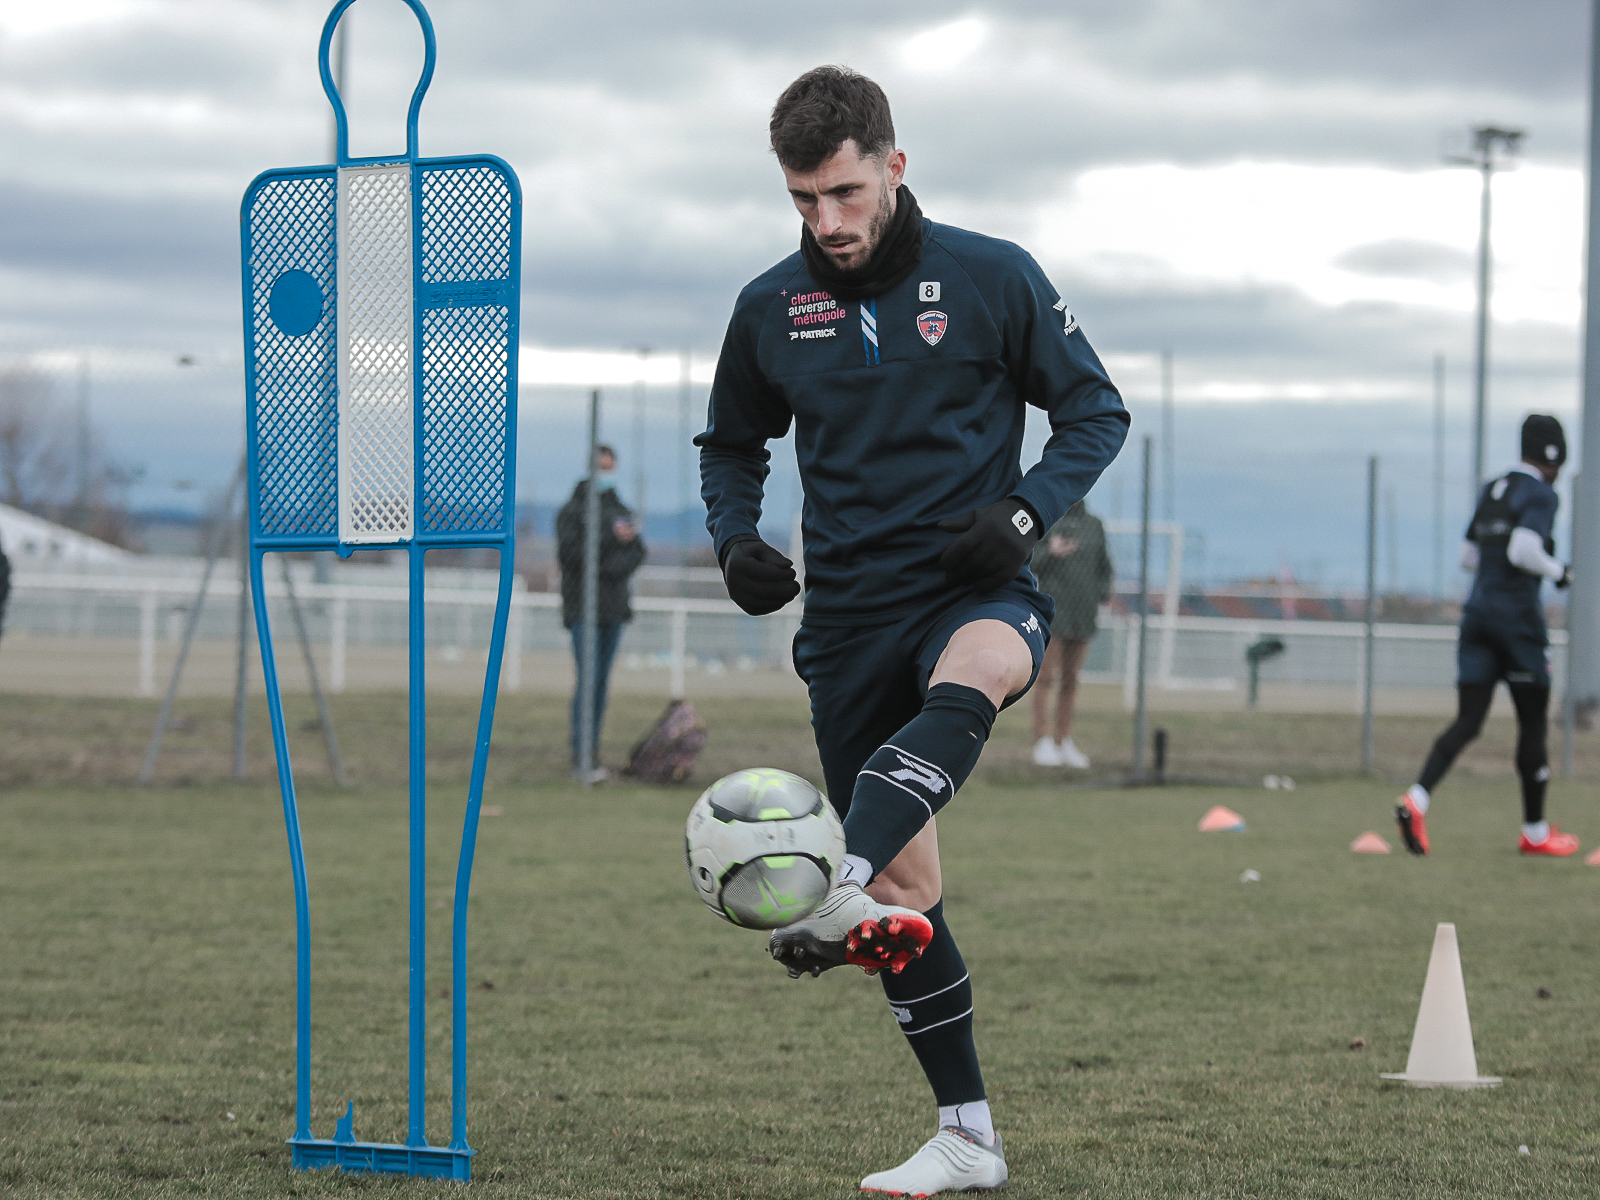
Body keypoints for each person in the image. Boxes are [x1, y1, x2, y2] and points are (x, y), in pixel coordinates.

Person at [697, 67, 1128, 1196]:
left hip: (971, 585)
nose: (825, 224)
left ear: (893, 164)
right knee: (905, 901)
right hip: (846, 617)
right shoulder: (767, 306)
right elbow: (731, 443)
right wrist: (735, 540)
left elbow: (1096, 409)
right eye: (802, 201)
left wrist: (1025, 512)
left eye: (842, 193)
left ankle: (827, 872)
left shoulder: (992, 276)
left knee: (980, 670)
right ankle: (968, 1138)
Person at [1395, 414, 1581, 858]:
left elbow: (1467, 556)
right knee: (1532, 726)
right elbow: (1522, 548)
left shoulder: (1492, 489)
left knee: (1469, 720)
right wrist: (1559, 572)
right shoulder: (1540, 493)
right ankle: (1534, 833)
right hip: (1517, 623)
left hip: (1476, 617)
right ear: (1554, 455)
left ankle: (1415, 800)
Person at [556, 445, 646, 783]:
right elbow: (573, 555)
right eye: (600, 467)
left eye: (610, 467)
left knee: (601, 683)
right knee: (588, 681)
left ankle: (592, 749)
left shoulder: (621, 509)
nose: (605, 473)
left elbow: (636, 552)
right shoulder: (573, 511)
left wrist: (608, 566)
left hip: (614, 609)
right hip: (583, 609)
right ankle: (582, 753)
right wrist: (612, 542)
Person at [1028, 500, 1112, 768]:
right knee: (1045, 678)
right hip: (1054, 613)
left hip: (1083, 615)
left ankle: (1063, 739)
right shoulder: (1049, 518)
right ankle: (1042, 740)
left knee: (1071, 680)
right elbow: (1030, 562)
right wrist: (1051, 551)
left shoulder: (1094, 525)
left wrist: (1102, 593)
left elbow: (1104, 566)